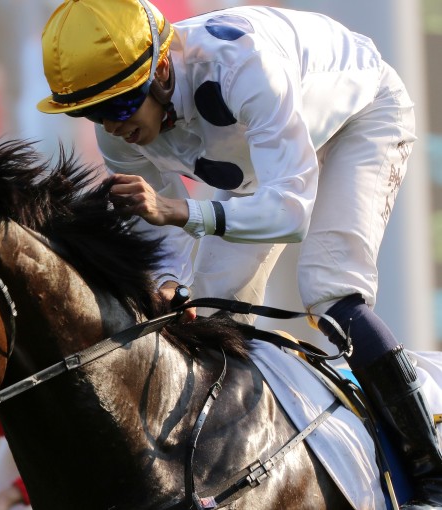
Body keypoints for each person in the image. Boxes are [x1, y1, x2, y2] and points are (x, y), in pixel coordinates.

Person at [35, 1, 441, 508]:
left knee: (329, 289)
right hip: (264, 163)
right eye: (91, 112)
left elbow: (289, 212)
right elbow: (166, 240)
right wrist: (168, 281)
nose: (110, 127)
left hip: (358, 119)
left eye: (119, 106)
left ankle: (431, 471)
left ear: (160, 70)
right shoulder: (119, 131)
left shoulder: (241, 65)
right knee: (209, 313)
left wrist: (183, 212)